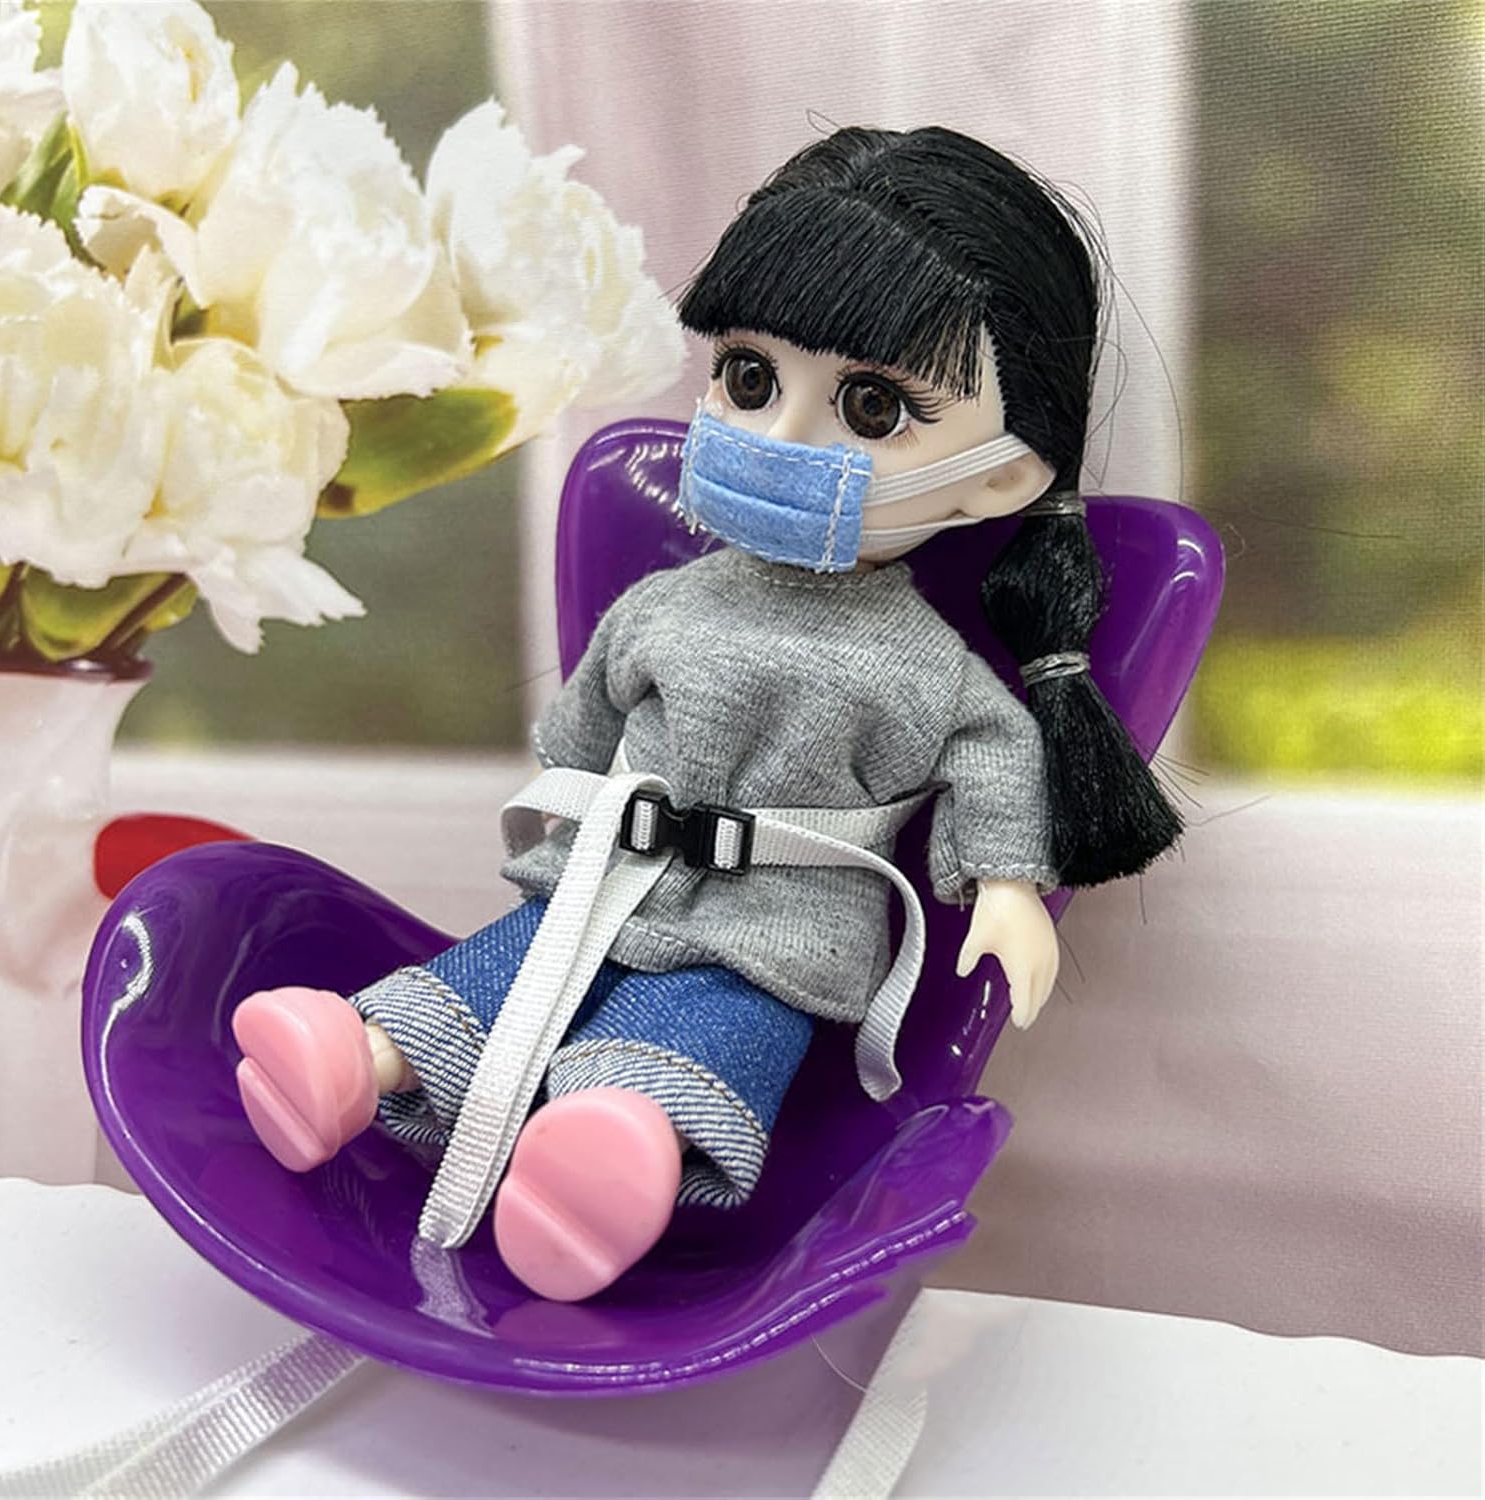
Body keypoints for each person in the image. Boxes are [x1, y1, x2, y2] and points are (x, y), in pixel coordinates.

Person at [229, 126, 1181, 1302]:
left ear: (998, 477)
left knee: (703, 1035)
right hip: (604, 886)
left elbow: (992, 750)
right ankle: (353, 1061)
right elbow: (588, 721)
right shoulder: (668, 604)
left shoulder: (924, 665)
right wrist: (566, 807)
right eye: (748, 379)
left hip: (775, 931)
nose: (776, 440)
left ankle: (611, 1158)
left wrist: (1005, 889)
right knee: (507, 972)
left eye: (871, 407)